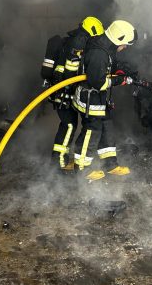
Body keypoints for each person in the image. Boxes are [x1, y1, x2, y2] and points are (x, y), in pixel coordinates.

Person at [72, 19, 136, 181]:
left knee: (106, 127)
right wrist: (119, 80)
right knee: (91, 130)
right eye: (125, 44)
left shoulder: (106, 45)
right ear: (118, 38)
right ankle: (81, 168)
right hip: (90, 98)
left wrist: (119, 70)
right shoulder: (99, 53)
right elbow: (98, 82)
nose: (125, 47)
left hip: (100, 98)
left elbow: (109, 64)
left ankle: (110, 164)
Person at [50, 16, 104, 171]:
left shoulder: (74, 40)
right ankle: (58, 163)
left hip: (63, 90)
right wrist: (71, 88)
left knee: (69, 125)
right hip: (63, 92)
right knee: (68, 125)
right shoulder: (79, 41)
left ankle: (61, 161)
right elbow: (70, 70)